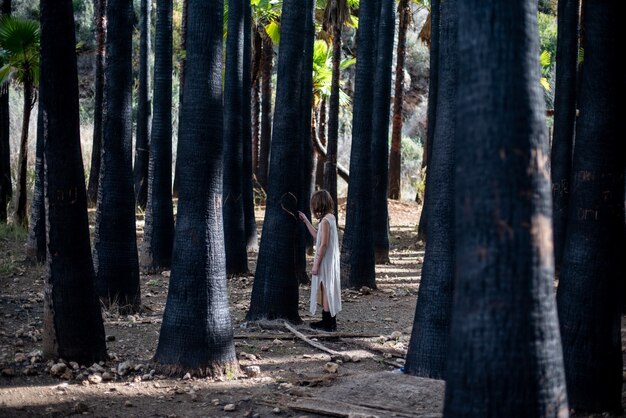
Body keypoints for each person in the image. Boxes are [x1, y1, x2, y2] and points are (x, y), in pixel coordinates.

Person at [298, 190, 341, 332]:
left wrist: (316, 264)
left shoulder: (325, 221)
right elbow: (317, 236)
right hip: (330, 259)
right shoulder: (330, 218)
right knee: (325, 287)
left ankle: (328, 323)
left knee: (326, 287)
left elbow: (323, 244)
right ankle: (328, 321)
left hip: (325, 260)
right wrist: (306, 221)